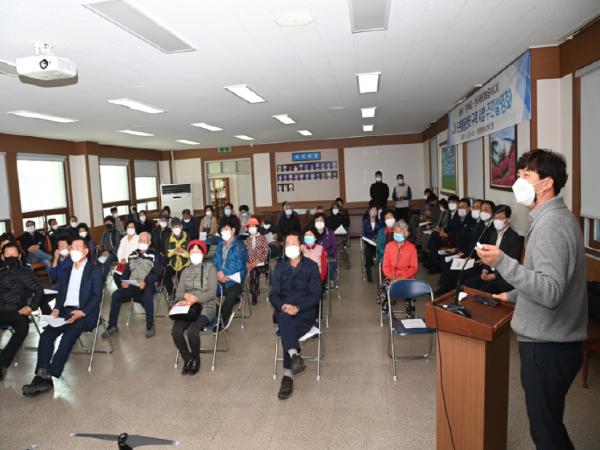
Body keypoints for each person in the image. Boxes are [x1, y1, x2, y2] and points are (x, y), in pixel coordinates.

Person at [477, 150, 587, 450]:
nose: (518, 181)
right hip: (550, 342)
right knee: (548, 424)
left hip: (549, 347)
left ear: (546, 183)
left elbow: (550, 292)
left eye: (526, 175)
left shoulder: (552, 225)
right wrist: (512, 294)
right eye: (518, 173)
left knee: (546, 433)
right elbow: (546, 278)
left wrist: (502, 262)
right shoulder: (550, 218)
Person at [22, 237, 103, 396]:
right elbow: (61, 295)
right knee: (46, 335)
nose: (74, 250)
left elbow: (96, 297)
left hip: (85, 313)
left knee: (68, 337)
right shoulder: (66, 270)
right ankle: (42, 372)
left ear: (86, 251)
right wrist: (57, 309)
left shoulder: (94, 270)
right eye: (72, 247)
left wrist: (82, 312)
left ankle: (50, 375)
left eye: (78, 247)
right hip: (65, 312)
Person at [269, 232, 322, 400]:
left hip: (304, 313)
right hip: (284, 310)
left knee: (286, 328)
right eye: (287, 244)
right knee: (284, 318)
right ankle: (292, 360)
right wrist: (283, 306)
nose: (290, 247)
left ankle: (289, 371)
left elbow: (316, 295)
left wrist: (298, 308)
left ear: (301, 247)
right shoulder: (280, 268)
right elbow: (273, 295)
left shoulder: (311, 267)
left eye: (294, 243)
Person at [104, 232, 164, 338]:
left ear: (149, 242)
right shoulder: (133, 254)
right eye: (140, 240)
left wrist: (146, 281)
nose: (142, 242)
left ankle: (150, 325)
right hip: (133, 283)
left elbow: (157, 272)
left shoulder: (154, 254)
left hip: (147, 283)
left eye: (145, 241)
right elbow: (127, 270)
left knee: (147, 295)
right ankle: (112, 325)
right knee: (116, 295)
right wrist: (124, 280)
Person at [170, 240, 217, 375]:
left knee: (192, 330)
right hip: (188, 308)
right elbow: (178, 293)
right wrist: (186, 295)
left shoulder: (210, 269)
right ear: (189, 254)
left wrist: (195, 298)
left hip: (206, 306)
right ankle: (188, 359)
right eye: (192, 251)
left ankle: (196, 360)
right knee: (176, 331)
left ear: (203, 253)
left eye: (198, 251)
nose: (195, 254)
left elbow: (212, 292)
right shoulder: (185, 271)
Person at [0, 243, 43, 380]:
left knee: (23, 327)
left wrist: (31, 307)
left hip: (17, 310)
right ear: (2, 257)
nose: (10, 257)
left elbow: (39, 291)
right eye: (7, 255)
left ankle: (2, 363)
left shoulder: (25, 272)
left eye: (13, 254)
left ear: (19, 256)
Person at [465, 205, 522, 294]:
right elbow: (487, 255)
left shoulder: (514, 237)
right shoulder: (493, 235)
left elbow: (513, 262)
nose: (497, 220)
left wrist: (495, 275)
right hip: (490, 272)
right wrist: (485, 271)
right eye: (495, 218)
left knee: (483, 290)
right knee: (469, 283)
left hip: (503, 277)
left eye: (500, 218)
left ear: (508, 220)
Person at [214, 218, 248, 326]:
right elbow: (217, 259)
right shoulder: (220, 244)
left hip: (235, 280)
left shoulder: (240, 245)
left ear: (233, 230)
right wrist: (219, 272)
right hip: (220, 277)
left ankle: (222, 321)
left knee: (230, 296)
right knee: (206, 292)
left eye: (226, 229)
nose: (223, 232)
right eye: (222, 230)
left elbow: (238, 264)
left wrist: (224, 274)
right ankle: (217, 314)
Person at [244, 218, 269, 305]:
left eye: (253, 226)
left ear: (257, 227)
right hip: (250, 264)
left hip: (261, 263)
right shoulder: (246, 240)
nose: (251, 228)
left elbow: (265, 253)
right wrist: (248, 263)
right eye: (249, 226)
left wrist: (255, 263)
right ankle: (254, 290)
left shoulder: (263, 238)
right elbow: (245, 254)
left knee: (254, 273)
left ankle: (254, 293)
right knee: (252, 273)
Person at [164, 218, 189, 298]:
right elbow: (167, 254)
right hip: (173, 264)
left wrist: (183, 252)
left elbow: (191, 254)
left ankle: (184, 295)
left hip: (184, 264)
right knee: (165, 274)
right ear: (171, 228)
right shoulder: (168, 239)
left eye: (178, 226)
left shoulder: (187, 238)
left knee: (181, 278)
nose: (176, 228)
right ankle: (172, 293)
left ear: (181, 227)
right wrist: (172, 253)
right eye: (174, 226)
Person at [313, 213, 337, 287]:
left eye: (321, 220)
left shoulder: (330, 233)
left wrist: (327, 253)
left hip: (328, 257)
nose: (319, 222)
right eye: (317, 221)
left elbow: (334, 248)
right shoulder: (311, 234)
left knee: (327, 264)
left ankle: (330, 280)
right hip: (314, 257)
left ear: (324, 222)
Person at [362, 205, 382, 283]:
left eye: (375, 210)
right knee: (368, 256)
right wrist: (371, 239)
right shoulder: (365, 222)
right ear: (369, 211)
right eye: (372, 210)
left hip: (378, 243)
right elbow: (364, 234)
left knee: (380, 253)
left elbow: (381, 233)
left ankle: (381, 273)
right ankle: (369, 275)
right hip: (369, 243)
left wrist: (376, 239)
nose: (373, 211)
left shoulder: (379, 222)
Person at [97, 216, 119, 282]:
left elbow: (117, 245)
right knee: (98, 261)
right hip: (105, 253)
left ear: (113, 223)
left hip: (114, 253)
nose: (107, 224)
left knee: (107, 261)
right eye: (106, 223)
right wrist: (101, 250)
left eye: (109, 222)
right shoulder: (104, 234)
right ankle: (98, 277)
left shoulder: (117, 233)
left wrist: (109, 252)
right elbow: (101, 245)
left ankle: (103, 279)